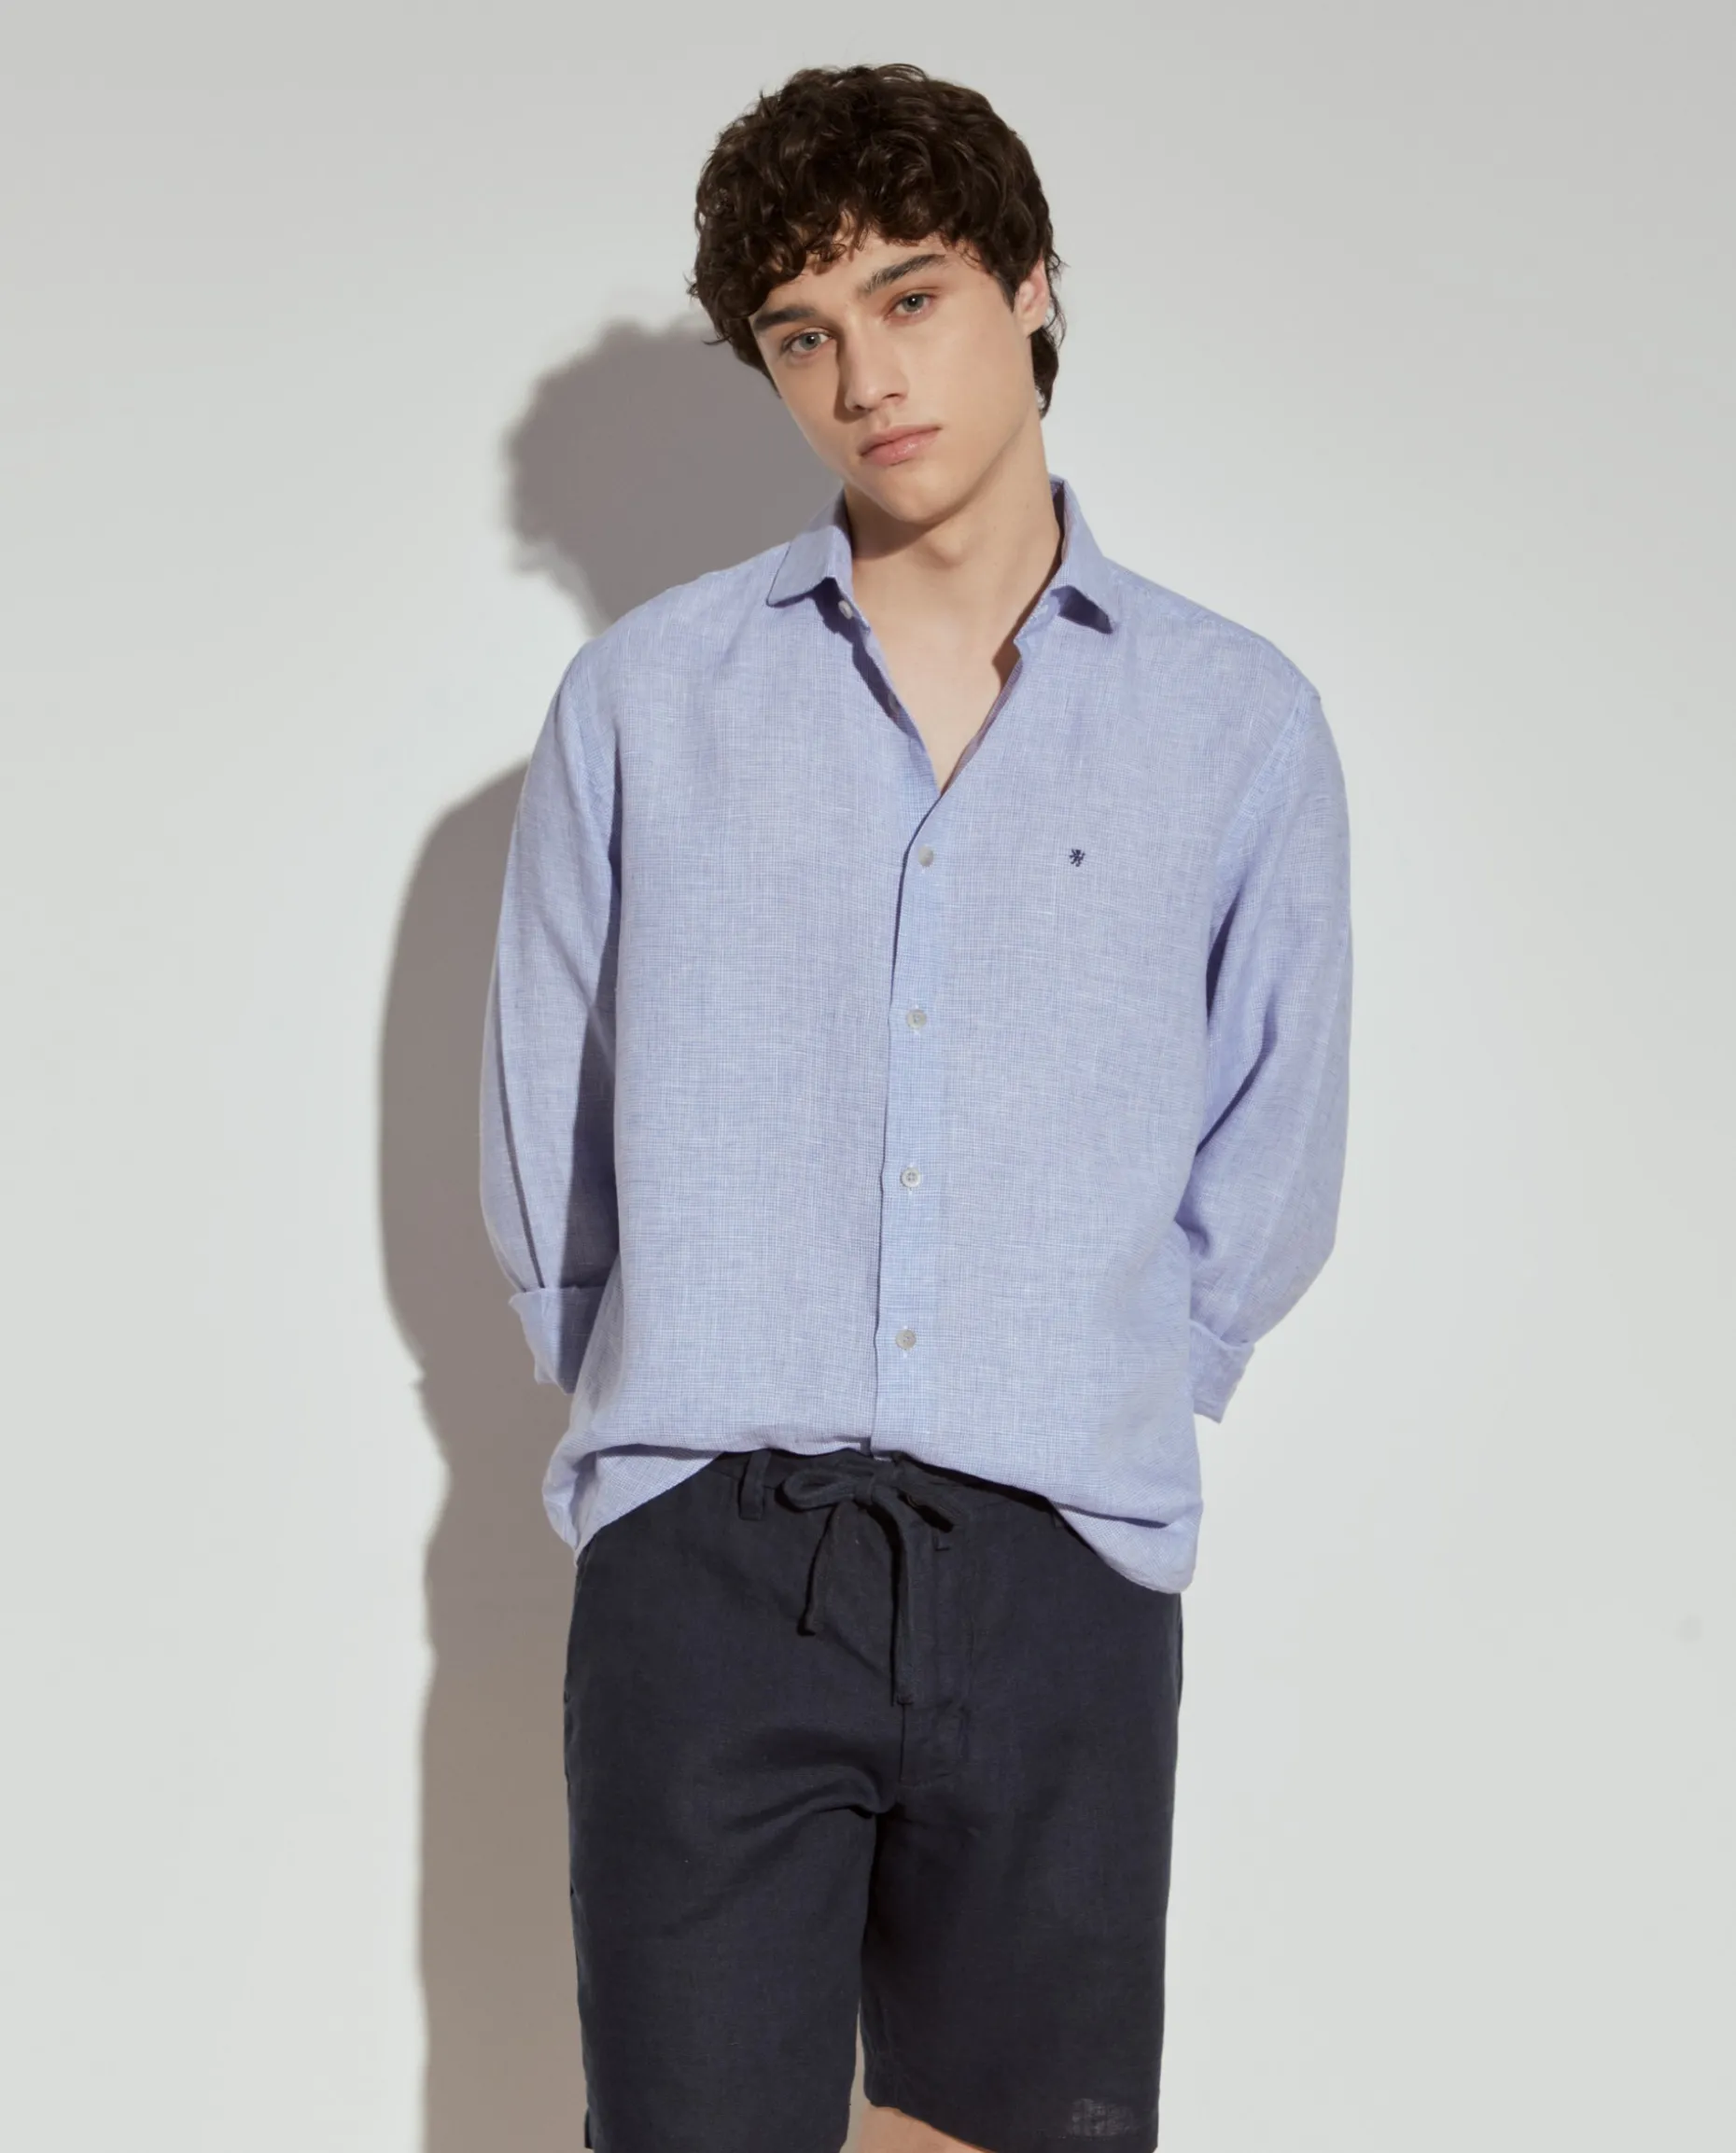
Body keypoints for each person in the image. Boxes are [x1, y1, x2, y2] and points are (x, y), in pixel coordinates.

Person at [480, 60, 1352, 2153]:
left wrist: (1106, 1390)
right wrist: (668, 1436)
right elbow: (540, 1136)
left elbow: (1276, 1138)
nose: (866, 376)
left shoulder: (1235, 724)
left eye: (911, 296)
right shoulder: (645, 704)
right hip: (710, 1561)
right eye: (803, 335)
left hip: (1061, 1558)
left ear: (1031, 287)